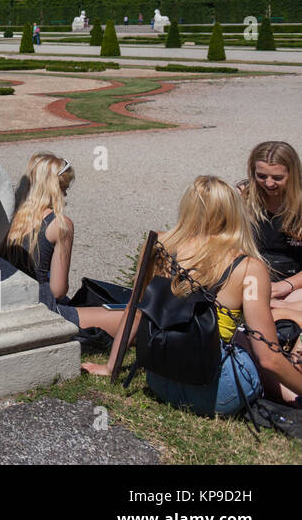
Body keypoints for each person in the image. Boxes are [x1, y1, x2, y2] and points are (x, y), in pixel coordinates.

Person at [96, 176, 302, 414]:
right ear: (233, 211)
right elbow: (268, 359)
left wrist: (112, 367)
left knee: (241, 339)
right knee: (246, 340)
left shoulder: (158, 243)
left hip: (160, 379)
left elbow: (135, 310)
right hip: (217, 393)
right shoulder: (248, 267)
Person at [0, 152, 125, 336]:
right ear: (55, 188)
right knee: (131, 318)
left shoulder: (8, 215)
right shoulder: (59, 224)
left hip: (9, 300)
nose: (65, 194)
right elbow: (57, 291)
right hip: (41, 306)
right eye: (64, 188)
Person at [238, 141, 302, 309]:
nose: (269, 183)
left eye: (278, 178)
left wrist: (286, 285)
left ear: (293, 174)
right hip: (252, 272)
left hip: (294, 280)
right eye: (261, 176)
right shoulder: (243, 196)